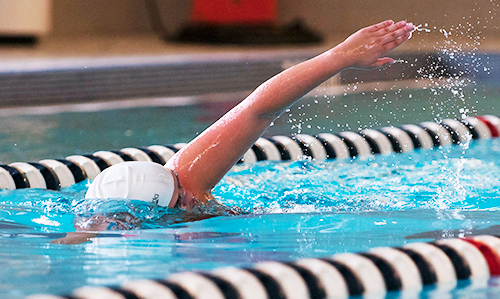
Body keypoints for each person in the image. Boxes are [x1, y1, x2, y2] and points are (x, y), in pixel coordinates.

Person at [86, 20, 414, 214]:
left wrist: (340, 56)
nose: (193, 197)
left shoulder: (174, 190)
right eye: (182, 200)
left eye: (181, 186)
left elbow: (258, 109)